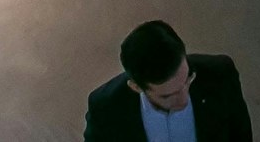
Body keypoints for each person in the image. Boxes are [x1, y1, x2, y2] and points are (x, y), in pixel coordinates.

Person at [82, 19, 251, 142]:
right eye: (167, 96)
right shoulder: (105, 108)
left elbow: (241, 136)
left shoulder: (220, 75)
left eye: (188, 80)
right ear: (136, 87)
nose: (184, 99)